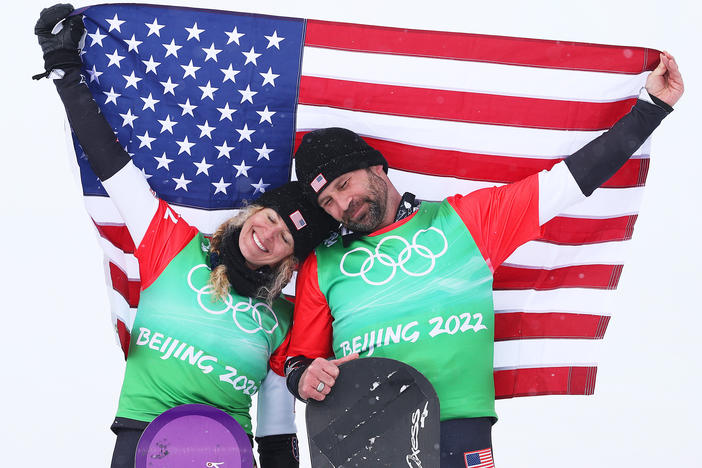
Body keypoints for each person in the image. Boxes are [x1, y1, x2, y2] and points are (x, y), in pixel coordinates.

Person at [282, 50, 684, 466]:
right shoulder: (324, 263)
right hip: (365, 436)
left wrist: (649, 110)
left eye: (345, 184)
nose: (343, 204)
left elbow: (567, 181)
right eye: (328, 201)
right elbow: (299, 361)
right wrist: (305, 378)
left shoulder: (466, 221)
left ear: (378, 169)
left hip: (459, 429)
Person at [34, 5, 335, 467]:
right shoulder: (173, 245)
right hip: (144, 439)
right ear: (254, 211)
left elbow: (277, 421)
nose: (269, 233)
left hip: (228, 452)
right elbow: (112, 166)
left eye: (286, 238)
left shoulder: (281, 318)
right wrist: (66, 73)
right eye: (271, 217)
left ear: (290, 262)